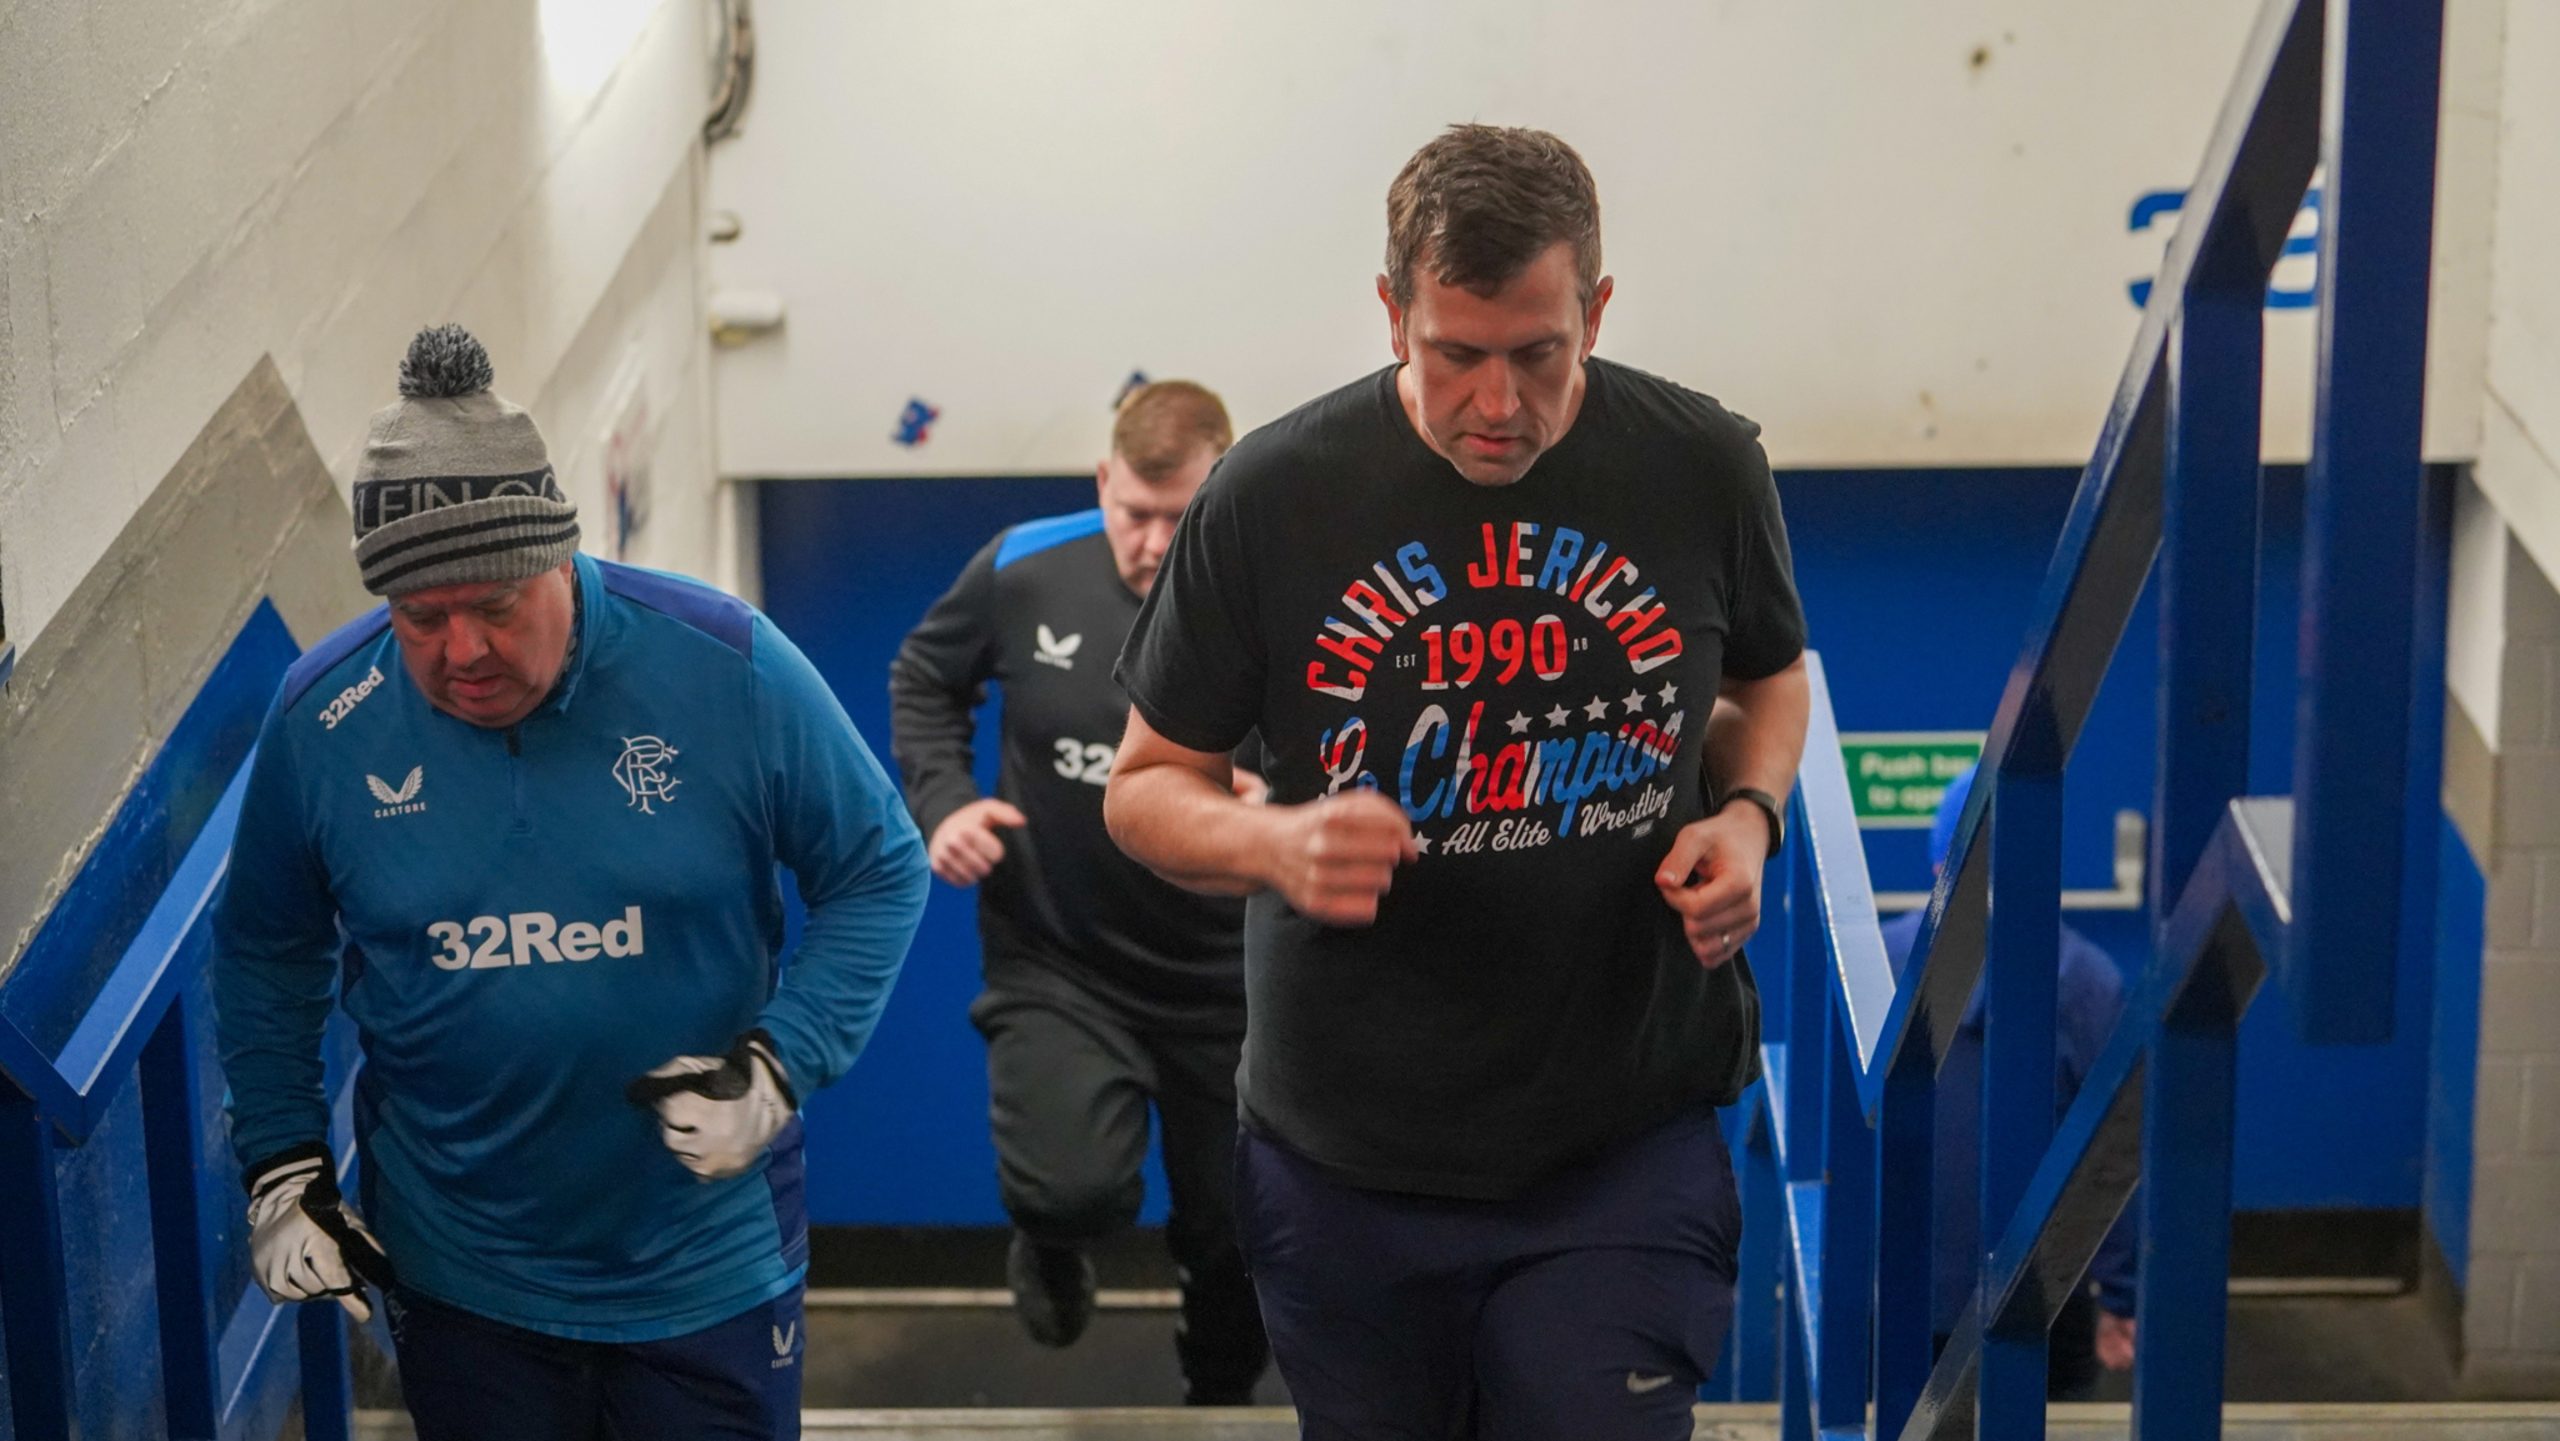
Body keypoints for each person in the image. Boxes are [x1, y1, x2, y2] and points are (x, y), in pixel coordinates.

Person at [1104, 125, 1810, 1440]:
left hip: (1623, 1139)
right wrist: (1273, 845)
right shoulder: (1269, 496)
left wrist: (1750, 816)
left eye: (1540, 354)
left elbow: (1773, 676)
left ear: (1596, 310)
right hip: (1346, 1161)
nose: (1499, 403)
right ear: (1393, 314)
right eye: (1457, 355)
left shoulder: (1700, 464)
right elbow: (1146, 785)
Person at [212, 324, 930, 1441]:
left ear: (562, 556)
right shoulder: (324, 718)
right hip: (462, 1272)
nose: (462, 651)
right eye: (421, 620)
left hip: (704, 1263)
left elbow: (880, 866)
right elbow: (266, 946)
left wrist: (784, 1063)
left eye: (496, 606)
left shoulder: (725, 664)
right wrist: (283, 1163)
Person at [887, 381, 1269, 1405]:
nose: (1149, 543)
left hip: (1231, 981)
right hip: (1059, 958)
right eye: (1132, 513)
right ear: (1102, 482)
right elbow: (926, 678)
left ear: (1223, 492)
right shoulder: (1021, 566)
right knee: (1068, 1187)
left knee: (1235, 1235)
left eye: (1178, 517)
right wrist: (945, 804)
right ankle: (1050, 1243)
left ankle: (1219, 1403)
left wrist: (1288, 798)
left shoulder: (1282, 584)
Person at [1877, 762, 2138, 1398]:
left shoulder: (1877, 964)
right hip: (2038, 1298)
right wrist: (2123, 1295)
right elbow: (2117, 1154)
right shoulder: (2085, 979)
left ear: (1939, 865)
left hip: (1889, 1292)